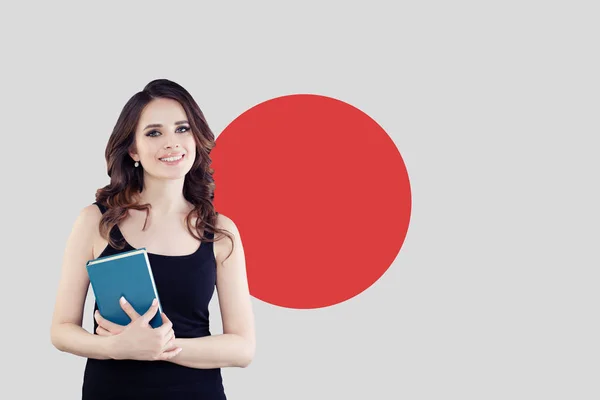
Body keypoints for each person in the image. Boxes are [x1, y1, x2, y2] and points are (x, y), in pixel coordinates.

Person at [50, 79, 256, 399]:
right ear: (133, 149)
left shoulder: (219, 231)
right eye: (154, 132)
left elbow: (242, 348)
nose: (172, 143)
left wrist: (158, 346)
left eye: (182, 128)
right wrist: (115, 347)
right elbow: (62, 330)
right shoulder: (95, 221)